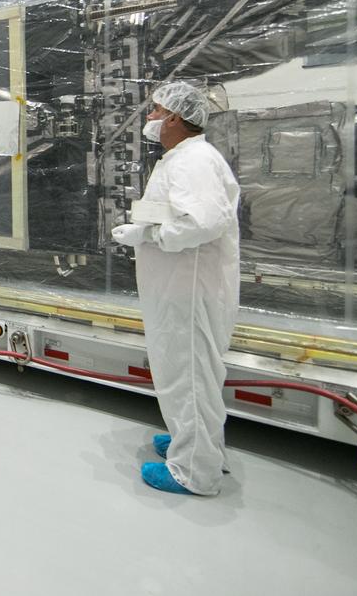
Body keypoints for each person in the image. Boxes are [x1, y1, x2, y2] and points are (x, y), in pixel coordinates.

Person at [110, 81, 240, 496]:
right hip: (181, 283)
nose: (149, 118)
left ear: (176, 118)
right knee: (191, 372)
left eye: (155, 111)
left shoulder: (192, 161)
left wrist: (149, 237)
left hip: (188, 287)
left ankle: (194, 472)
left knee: (187, 373)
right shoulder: (183, 157)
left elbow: (203, 222)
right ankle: (198, 443)